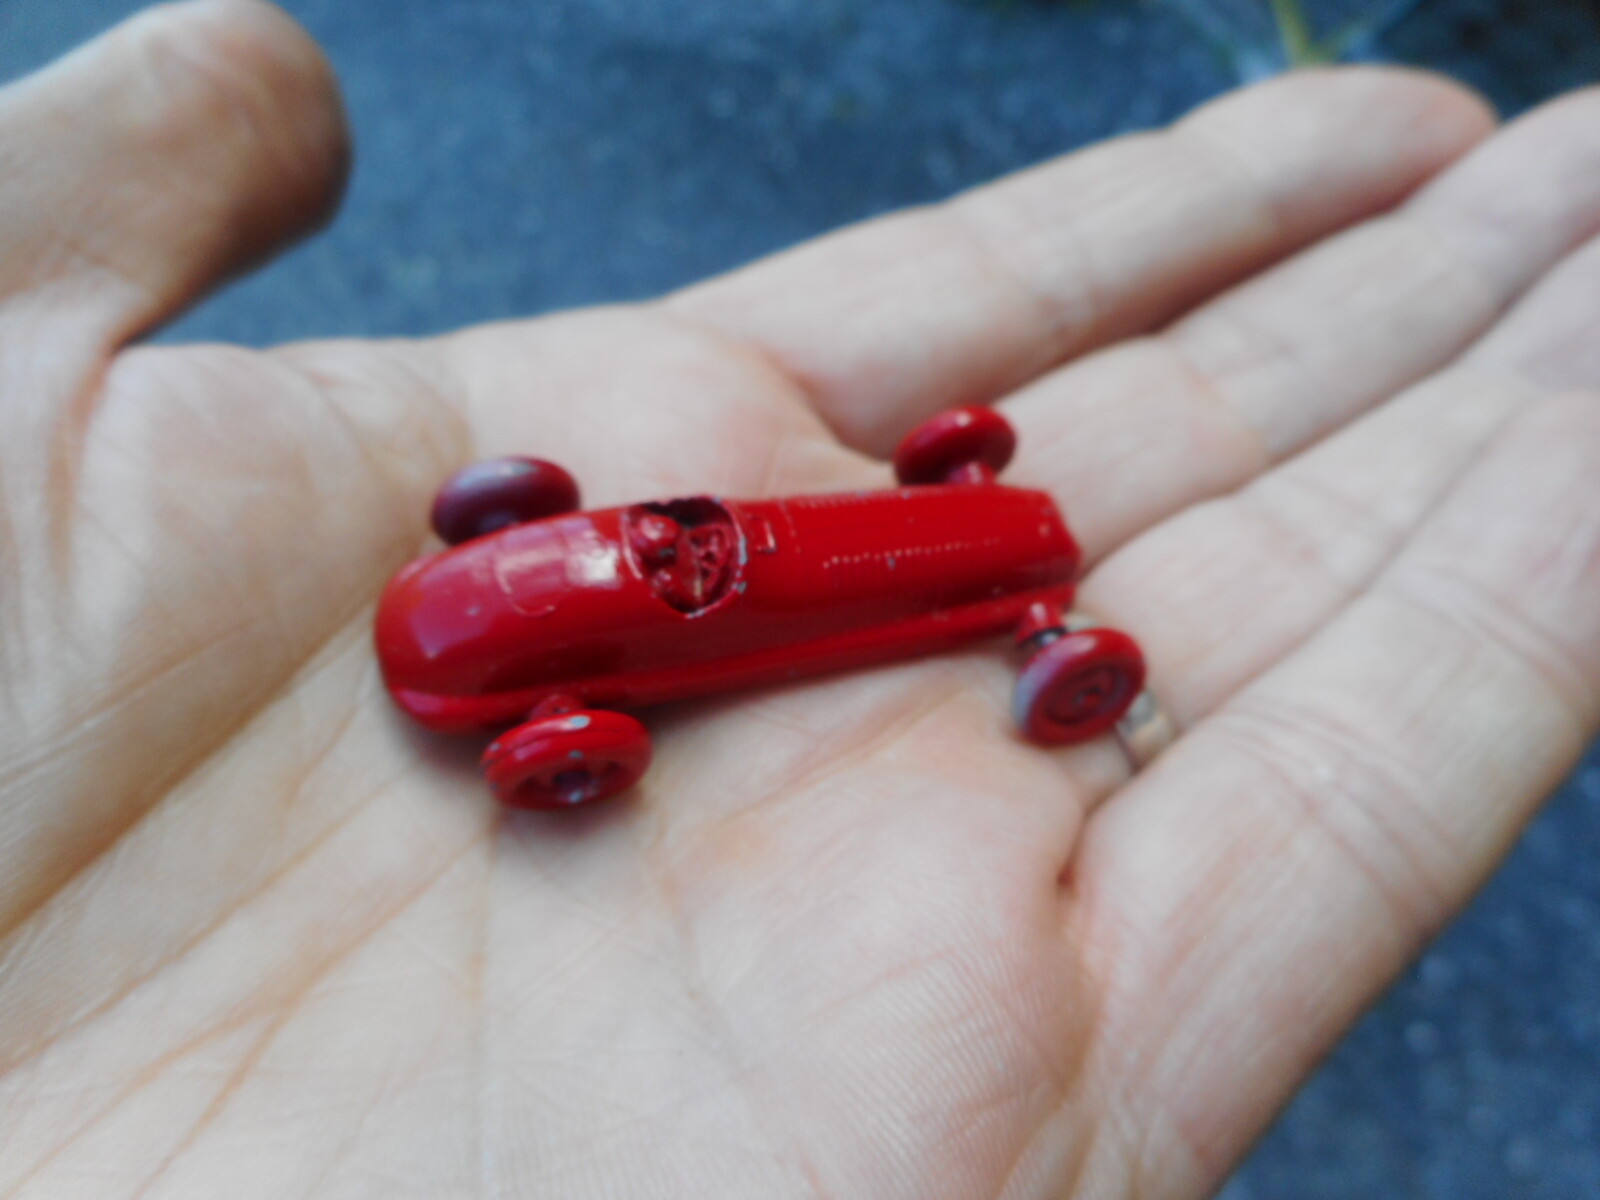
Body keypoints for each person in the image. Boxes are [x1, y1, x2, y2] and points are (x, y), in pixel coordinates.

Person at [0, 1, 1595, 1196]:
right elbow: (585, 731)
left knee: (826, 560)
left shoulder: (525, 541)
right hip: (581, 621)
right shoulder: (527, 683)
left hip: (614, 576)